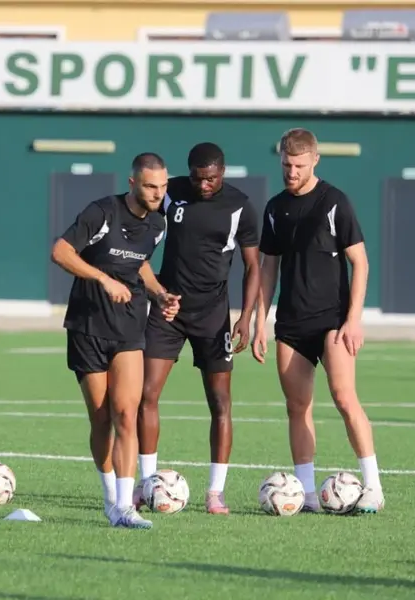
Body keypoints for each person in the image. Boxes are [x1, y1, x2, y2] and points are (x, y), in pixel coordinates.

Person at [252, 127, 384, 513]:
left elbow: (359, 262)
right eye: (285, 165)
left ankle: (373, 486)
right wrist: (261, 321)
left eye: (297, 165)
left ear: (314, 161)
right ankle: (306, 494)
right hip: (291, 325)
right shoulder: (275, 208)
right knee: (297, 407)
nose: (291, 172)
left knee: (344, 398)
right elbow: (268, 267)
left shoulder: (334, 202)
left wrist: (353, 320)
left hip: (332, 321)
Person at [51, 152, 180, 529]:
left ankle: (126, 506)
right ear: (132, 184)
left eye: (163, 186)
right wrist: (103, 279)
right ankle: (110, 498)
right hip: (87, 326)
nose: (158, 193)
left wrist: (159, 294)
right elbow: (60, 251)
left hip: (128, 328)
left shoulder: (158, 224)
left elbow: (139, 263)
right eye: (150, 186)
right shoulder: (102, 213)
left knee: (127, 412)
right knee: (102, 418)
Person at [137, 142, 261, 515]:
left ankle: (215, 493)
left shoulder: (240, 206)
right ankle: (146, 485)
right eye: (197, 178)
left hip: (213, 315)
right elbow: (137, 215)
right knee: (146, 394)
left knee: (220, 402)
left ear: (222, 173)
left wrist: (246, 317)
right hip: (168, 309)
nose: (204, 185)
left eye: (211, 179)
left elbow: (254, 266)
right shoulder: (171, 192)